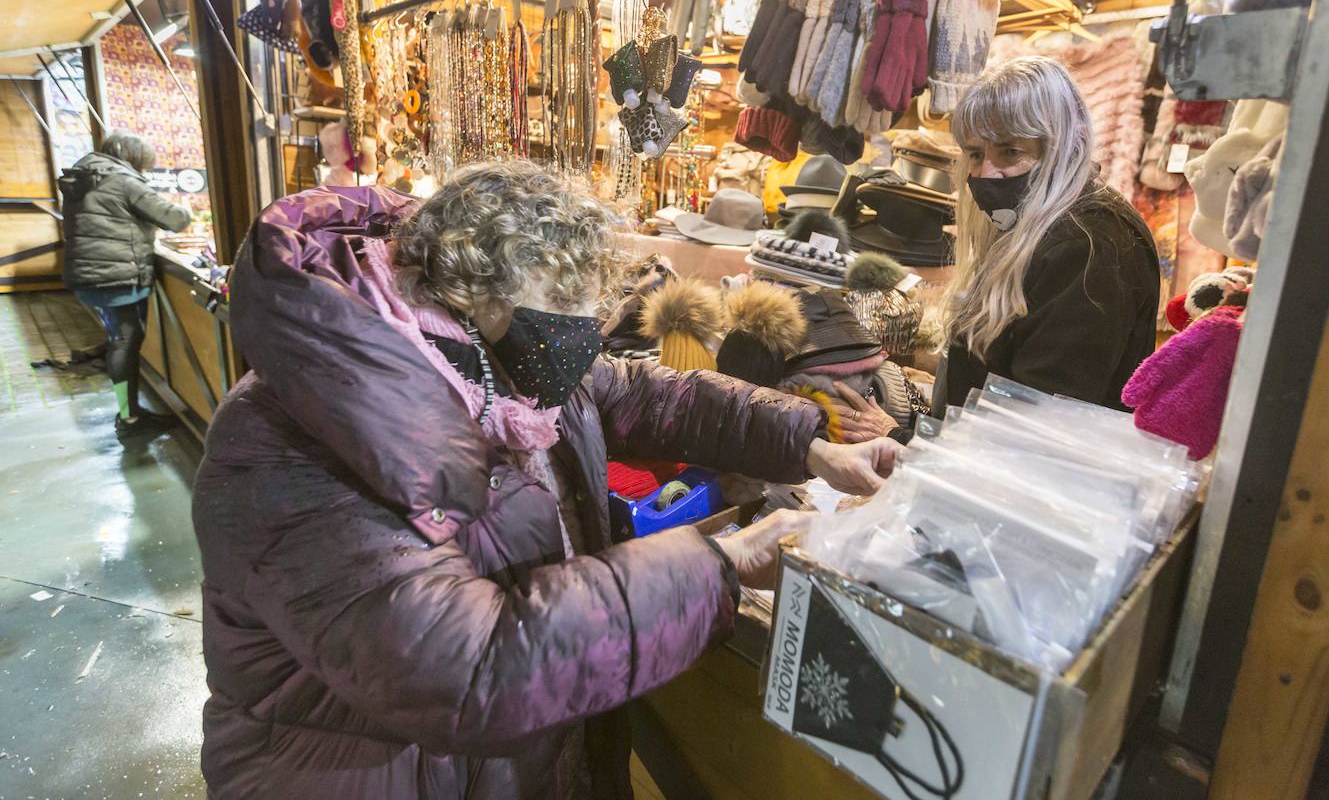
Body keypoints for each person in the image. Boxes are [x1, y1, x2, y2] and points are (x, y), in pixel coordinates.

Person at [193, 162, 903, 799]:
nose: (587, 333)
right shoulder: (300, 436)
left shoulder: (490, 365)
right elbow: (463, 669)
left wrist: (810, 441)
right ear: (478, 293)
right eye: (567, 307)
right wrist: (721, 562)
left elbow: (644, 395)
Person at [931, 56, 1160, 416]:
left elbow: (1036, 421)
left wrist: (904, 438)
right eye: (975, 154)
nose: (986, 173)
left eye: (1010, 151)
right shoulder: (1042, 228)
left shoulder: (1089, 242)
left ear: (1063, 146)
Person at [60, 131, 191, 440]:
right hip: (116, 276)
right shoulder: (122, 180)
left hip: (89, 274)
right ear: (132, 159)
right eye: (143, 165)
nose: (143, 171)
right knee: (124, 343)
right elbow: (175, 219)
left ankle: (128, 411)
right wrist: (182, 207)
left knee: (118, 340)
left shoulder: (86, 175)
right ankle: (130, 419)